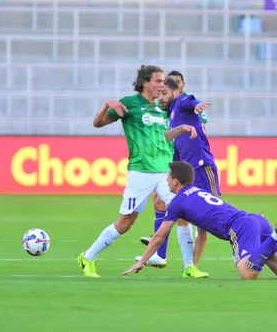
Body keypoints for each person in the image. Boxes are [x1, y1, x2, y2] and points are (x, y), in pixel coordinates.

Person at [124, 161, 277, 280]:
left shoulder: (177, 202)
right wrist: (192, 265)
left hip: (240, 227)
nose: (165, 182)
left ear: (176, 182)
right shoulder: (196, 192)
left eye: (167, 178)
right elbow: (201, 231)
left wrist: (142, 261)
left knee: (248, 274)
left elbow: (159, 236)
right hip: (256, 220)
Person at [78, 65, 206, 278]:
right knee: (126, 222)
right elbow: (97, 123)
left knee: (184, 213)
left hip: (165, 172)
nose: (162, 85)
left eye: (163, 81)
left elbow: (160, 137)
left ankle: (189, 267)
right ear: (144, 83)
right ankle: (88, 257)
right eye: (158, 81)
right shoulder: (129, 104)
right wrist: (106, 105)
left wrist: (180, 129)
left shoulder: (158, 108)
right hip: (141, 172)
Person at [135, 78, 216, 274]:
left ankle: (245, 243)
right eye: (159, 94)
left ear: (175, 93)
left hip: (202, 167)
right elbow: (176, 151)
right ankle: (188, 266)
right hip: (187, 173)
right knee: (176, 211)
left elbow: (191, 102)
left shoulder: (181, 103)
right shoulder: (170, 115)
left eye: (164, 94)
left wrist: (198, 105)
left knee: (212, 220)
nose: (160, 98)